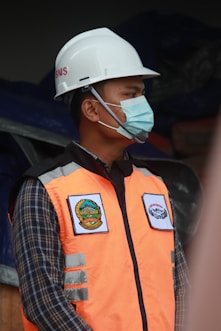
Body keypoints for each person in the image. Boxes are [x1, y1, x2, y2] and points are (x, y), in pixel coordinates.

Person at [8, 27, 190, 331]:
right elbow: (43, 300)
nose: (142, 105)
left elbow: (181, 286)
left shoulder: (155, 186)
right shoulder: (45, 189)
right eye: (131, 94)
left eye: (142, 94)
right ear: (92, 109)